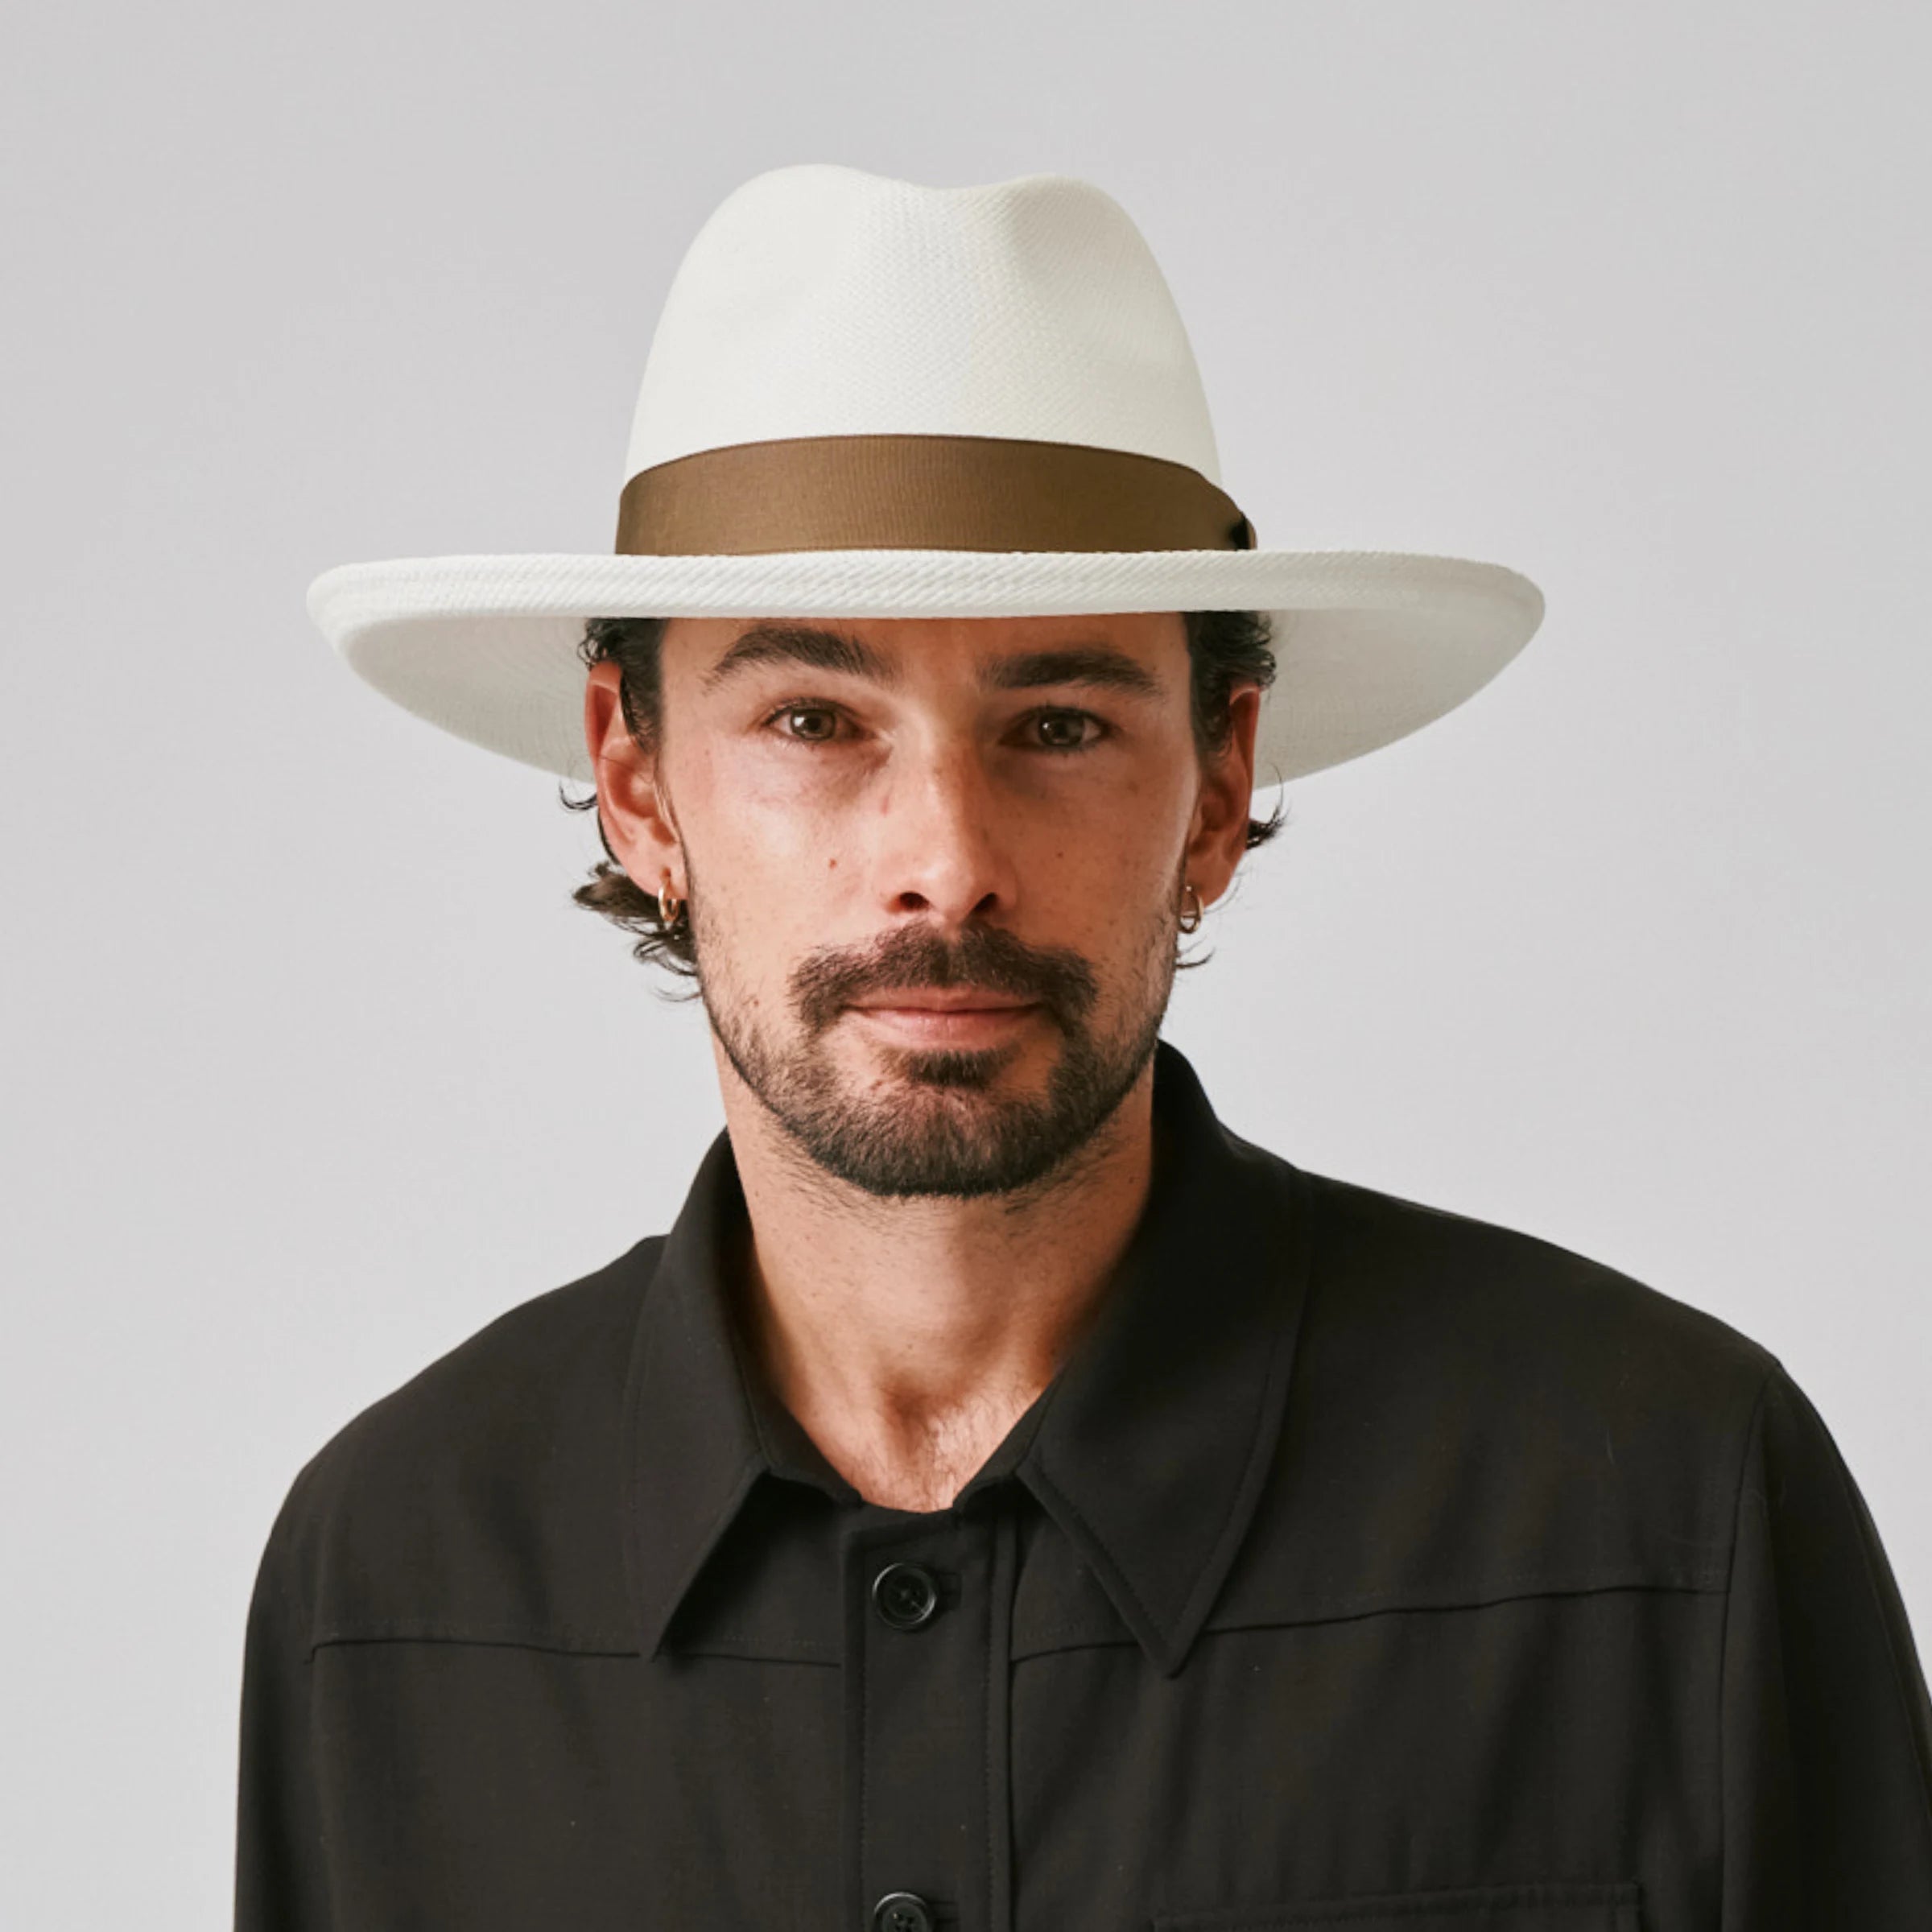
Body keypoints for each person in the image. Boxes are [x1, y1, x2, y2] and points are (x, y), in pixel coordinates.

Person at [241, 165, 1932, 1930]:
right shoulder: (390, 1579)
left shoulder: (1661, 1515)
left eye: (1057, 723)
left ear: (1217, 789)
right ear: (642, 779)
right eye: (814, 719)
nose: (948, 858)